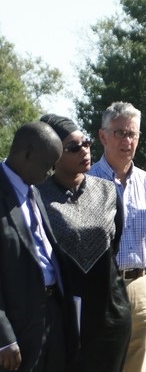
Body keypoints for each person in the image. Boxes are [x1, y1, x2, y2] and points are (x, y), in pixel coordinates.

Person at [37, 114, 132, 372]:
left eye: (87, 143)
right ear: (53, 154)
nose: (85, 151)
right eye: (73, 147)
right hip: (65, 318)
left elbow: (113, 242)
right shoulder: (37, 197)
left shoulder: (108, 191)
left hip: (110, 313)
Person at [0, 121, 79, 372]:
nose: (51, 171)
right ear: (27, 154)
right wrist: (3, 338)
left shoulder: (33, 189)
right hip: (17, 326)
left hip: (52, 316)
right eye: (48, 165)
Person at [88, 101, 146, 372]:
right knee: (101, 361)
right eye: (120, 133)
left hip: (141, 283)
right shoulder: (85, 182)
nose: (127, 140)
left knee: (136, 363)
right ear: (103, 136)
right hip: (101, 287)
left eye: (133, 134)